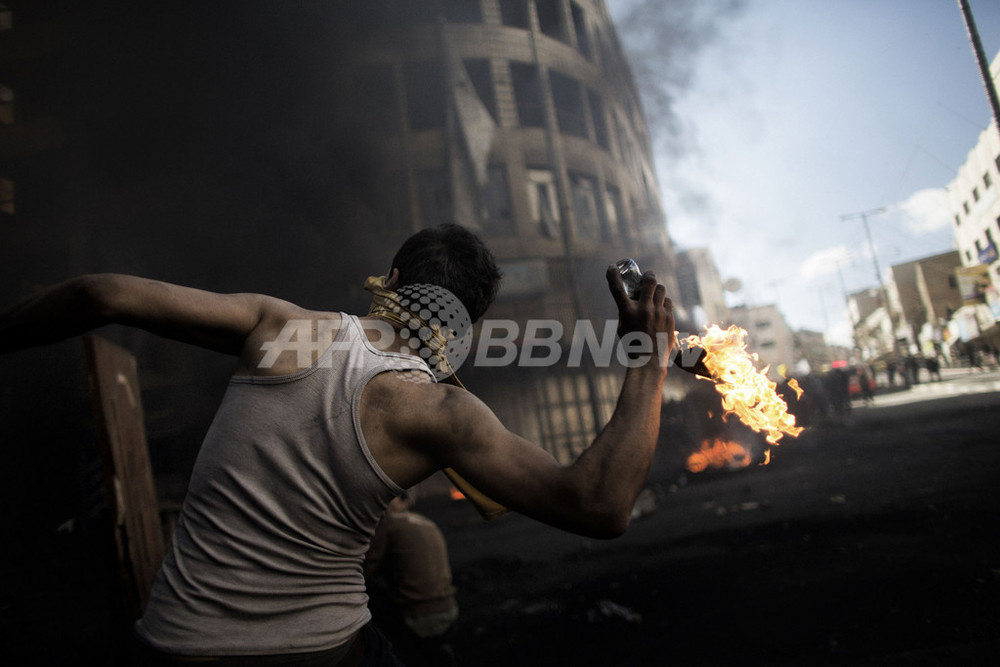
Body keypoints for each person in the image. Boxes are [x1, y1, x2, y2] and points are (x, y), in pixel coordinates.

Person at [0, 224, 675, 664]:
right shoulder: (443, 411)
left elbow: (99, 292)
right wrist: (648, 355)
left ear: (391, 275)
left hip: (168, 643)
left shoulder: (279, 324)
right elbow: (600, 504)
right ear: (470, 323)